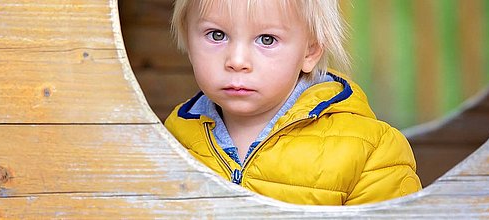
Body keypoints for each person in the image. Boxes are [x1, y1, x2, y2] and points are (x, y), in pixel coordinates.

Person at [164, 0, 421, 205]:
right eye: (216, 35)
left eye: (267, 39)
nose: (237, 60)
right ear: (188, 38)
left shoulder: (371, 150)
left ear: (309, 52)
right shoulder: (172, 137)